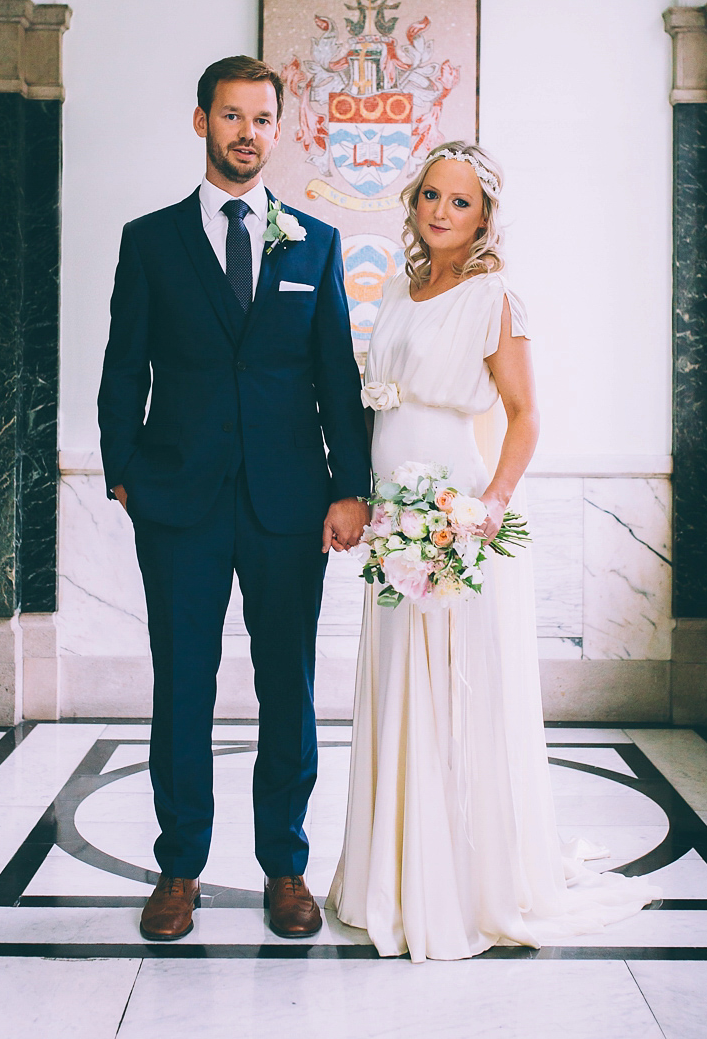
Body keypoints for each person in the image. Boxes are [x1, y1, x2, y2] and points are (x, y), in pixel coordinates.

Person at [329, 140, 659, 961]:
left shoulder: (496, 297)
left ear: (484, 216)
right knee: (402, 686)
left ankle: (465, 886)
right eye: (431, 197)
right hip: (395, 518)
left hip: (454, 520)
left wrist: (487, 509)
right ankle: (396, 873)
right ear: (413, 205)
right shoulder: (401, 294)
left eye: (460, 201)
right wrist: (371, 502)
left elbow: (525, 414)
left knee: (457, 699)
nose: (441, 211)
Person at [98, 55, 371, 942]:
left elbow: (338, 374)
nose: (246, 132)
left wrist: (350, 488)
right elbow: (121, 370)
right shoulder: (150, 240)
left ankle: (285, 867)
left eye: (261, 118)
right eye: (230, 116)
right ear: (200, 121)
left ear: (278, 129)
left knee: (286, 687)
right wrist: (123, 470)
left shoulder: (315, 243)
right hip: (177, 500)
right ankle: (179, 869)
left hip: (289, 505)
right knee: (184, 684)